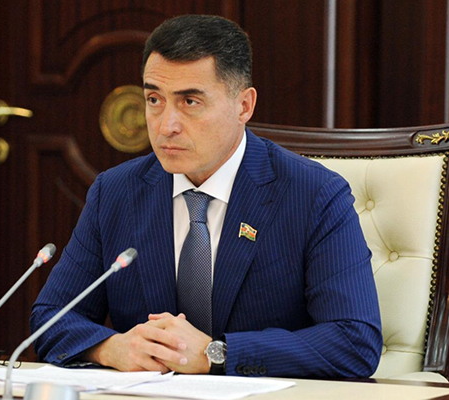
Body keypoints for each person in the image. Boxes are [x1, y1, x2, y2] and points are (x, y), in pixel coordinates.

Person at [30, 14, 382, 378]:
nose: (166, 125)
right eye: (154, 99)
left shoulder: (314, 195)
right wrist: (112, 347)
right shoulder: (115, 192)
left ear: (244, 106)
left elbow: (355, 341)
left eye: (190, 102)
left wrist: (218, 354)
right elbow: (50, 318)